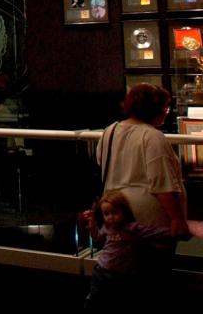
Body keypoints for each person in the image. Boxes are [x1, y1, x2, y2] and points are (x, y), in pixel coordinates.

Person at [95, 84, 190, 304]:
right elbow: (161, 183)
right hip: (151, 225)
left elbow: (102, 162)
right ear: (154, 109)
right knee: (151, 285)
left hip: (118, 221)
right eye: (166, 107)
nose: (167, 111)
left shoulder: (110, 131)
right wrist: (177, 219)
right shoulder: (152, 137)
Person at [81, 190, 172, 312]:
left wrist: (176, 231)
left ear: (124, 211)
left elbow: (154, 232)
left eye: (115, 212)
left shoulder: (132, 228)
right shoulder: (107, 227)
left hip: (122, 276)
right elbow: (97, 237)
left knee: (120, 303)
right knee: (95, 301)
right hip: (101, 272)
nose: (111, 217)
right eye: (106, 214)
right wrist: (92, 223)